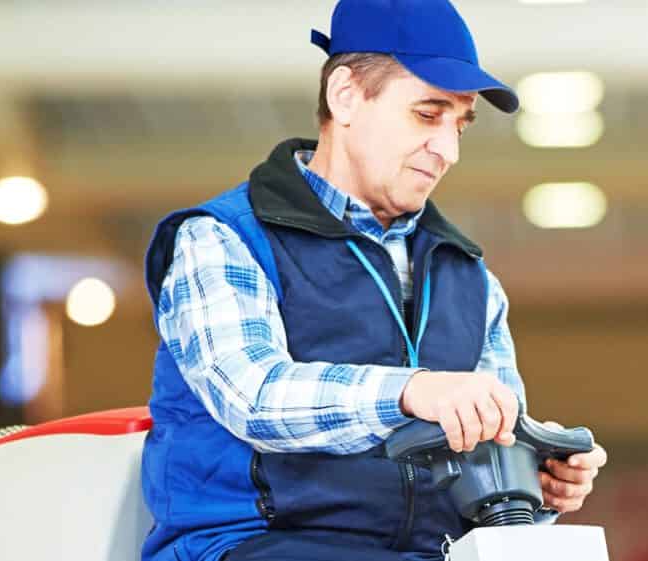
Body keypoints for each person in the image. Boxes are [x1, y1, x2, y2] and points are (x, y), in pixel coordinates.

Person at [137, 2, 606, 560]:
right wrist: (413, 391)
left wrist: (536, 482)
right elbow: (254, 396)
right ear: (346, 96)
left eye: (460, 124)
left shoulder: (471, 279)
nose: (449, 150)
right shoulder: (224, 239)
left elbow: (488, 449)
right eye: (428, 115)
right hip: (256, 545)